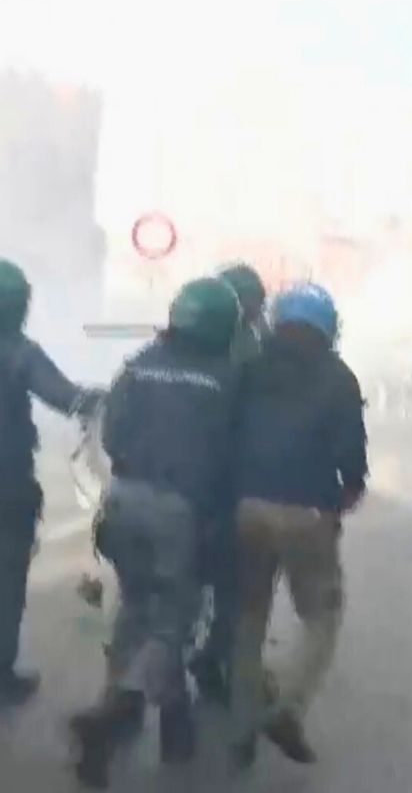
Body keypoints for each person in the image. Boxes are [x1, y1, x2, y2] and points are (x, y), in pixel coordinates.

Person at [69, 277, 241, 789]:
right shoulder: (225, 379)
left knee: (134, 611)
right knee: (172, 623)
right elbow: (230, 457)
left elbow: (113, 431)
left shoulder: (141, 363)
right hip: (179, 511)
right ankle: (118, 708)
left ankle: (158, 721)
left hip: (122, 501)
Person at [228, 282, 367, 770]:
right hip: (308, 512)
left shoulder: (249, 367)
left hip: (244, 506)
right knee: (321, 619)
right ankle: (287, 707)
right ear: (328, 328)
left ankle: (240, 728)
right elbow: (352, 458)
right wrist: (345, 497)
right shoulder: (339, 377)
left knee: (246, 620)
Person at [0, 258, 101, 706]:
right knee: (6, 577)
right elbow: (66, 397)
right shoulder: (20, 352)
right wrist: (108, 396)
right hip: (7, 484)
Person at [189, 261, 269, 705]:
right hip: (232, 483)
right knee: (232, 588)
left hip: (190, 480)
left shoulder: (191, 341)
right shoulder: (252, 350)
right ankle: (211, 657)